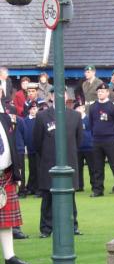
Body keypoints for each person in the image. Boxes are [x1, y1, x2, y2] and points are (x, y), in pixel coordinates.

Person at [33, 90, 83, 238]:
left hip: (69, 162)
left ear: (67, 97)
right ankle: (46, 229)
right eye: (56, 94)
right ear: (51, 97)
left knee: (70, 195)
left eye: (63, 93)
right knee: (48, 197)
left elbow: (79, 139)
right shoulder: (42, 116)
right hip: (49, 162)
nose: (60, 96)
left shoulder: (75, 115)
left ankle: (72, 226)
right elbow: (37, 141)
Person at [0, 110, 29, 264]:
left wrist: (16, 172)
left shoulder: (5, 119)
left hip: (6, 173)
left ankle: (9, 257)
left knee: (6, 221)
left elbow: (12, 145)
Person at [88, 83, 114, 197]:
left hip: (110, 140)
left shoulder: (112, 107)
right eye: (99, 91)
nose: (100, 93)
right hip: (96, 140)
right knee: (97, 166)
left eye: (103, 91)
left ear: (107, 93)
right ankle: (98, 190)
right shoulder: (93, 107)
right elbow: (91, 123)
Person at [74, 103, 94, 193]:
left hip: (89, 147)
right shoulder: (74, 120)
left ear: (83, 108)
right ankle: (79, 185)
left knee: (92, 167)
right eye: (77, 108)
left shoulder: (89, 119)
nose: (79, 109)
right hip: (78, 148)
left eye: (80, 108)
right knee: (78, 168)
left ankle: (94, 184)